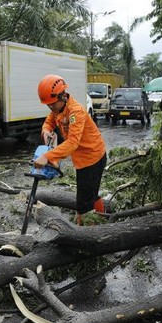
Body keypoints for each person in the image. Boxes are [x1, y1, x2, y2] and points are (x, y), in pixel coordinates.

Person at [34, 74, 107, 225]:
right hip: (83, 157)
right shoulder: (58, 109)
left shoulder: (76, 112)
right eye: (48, 105)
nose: (51, 107)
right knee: (90, 195)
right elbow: (49, 122)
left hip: (92, 157)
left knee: (83, 202)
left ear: (62, 96)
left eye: (52, 104)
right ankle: (100, 220)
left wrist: (48, 156)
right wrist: (46, 130)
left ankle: (87, 231)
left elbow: (73, 142)